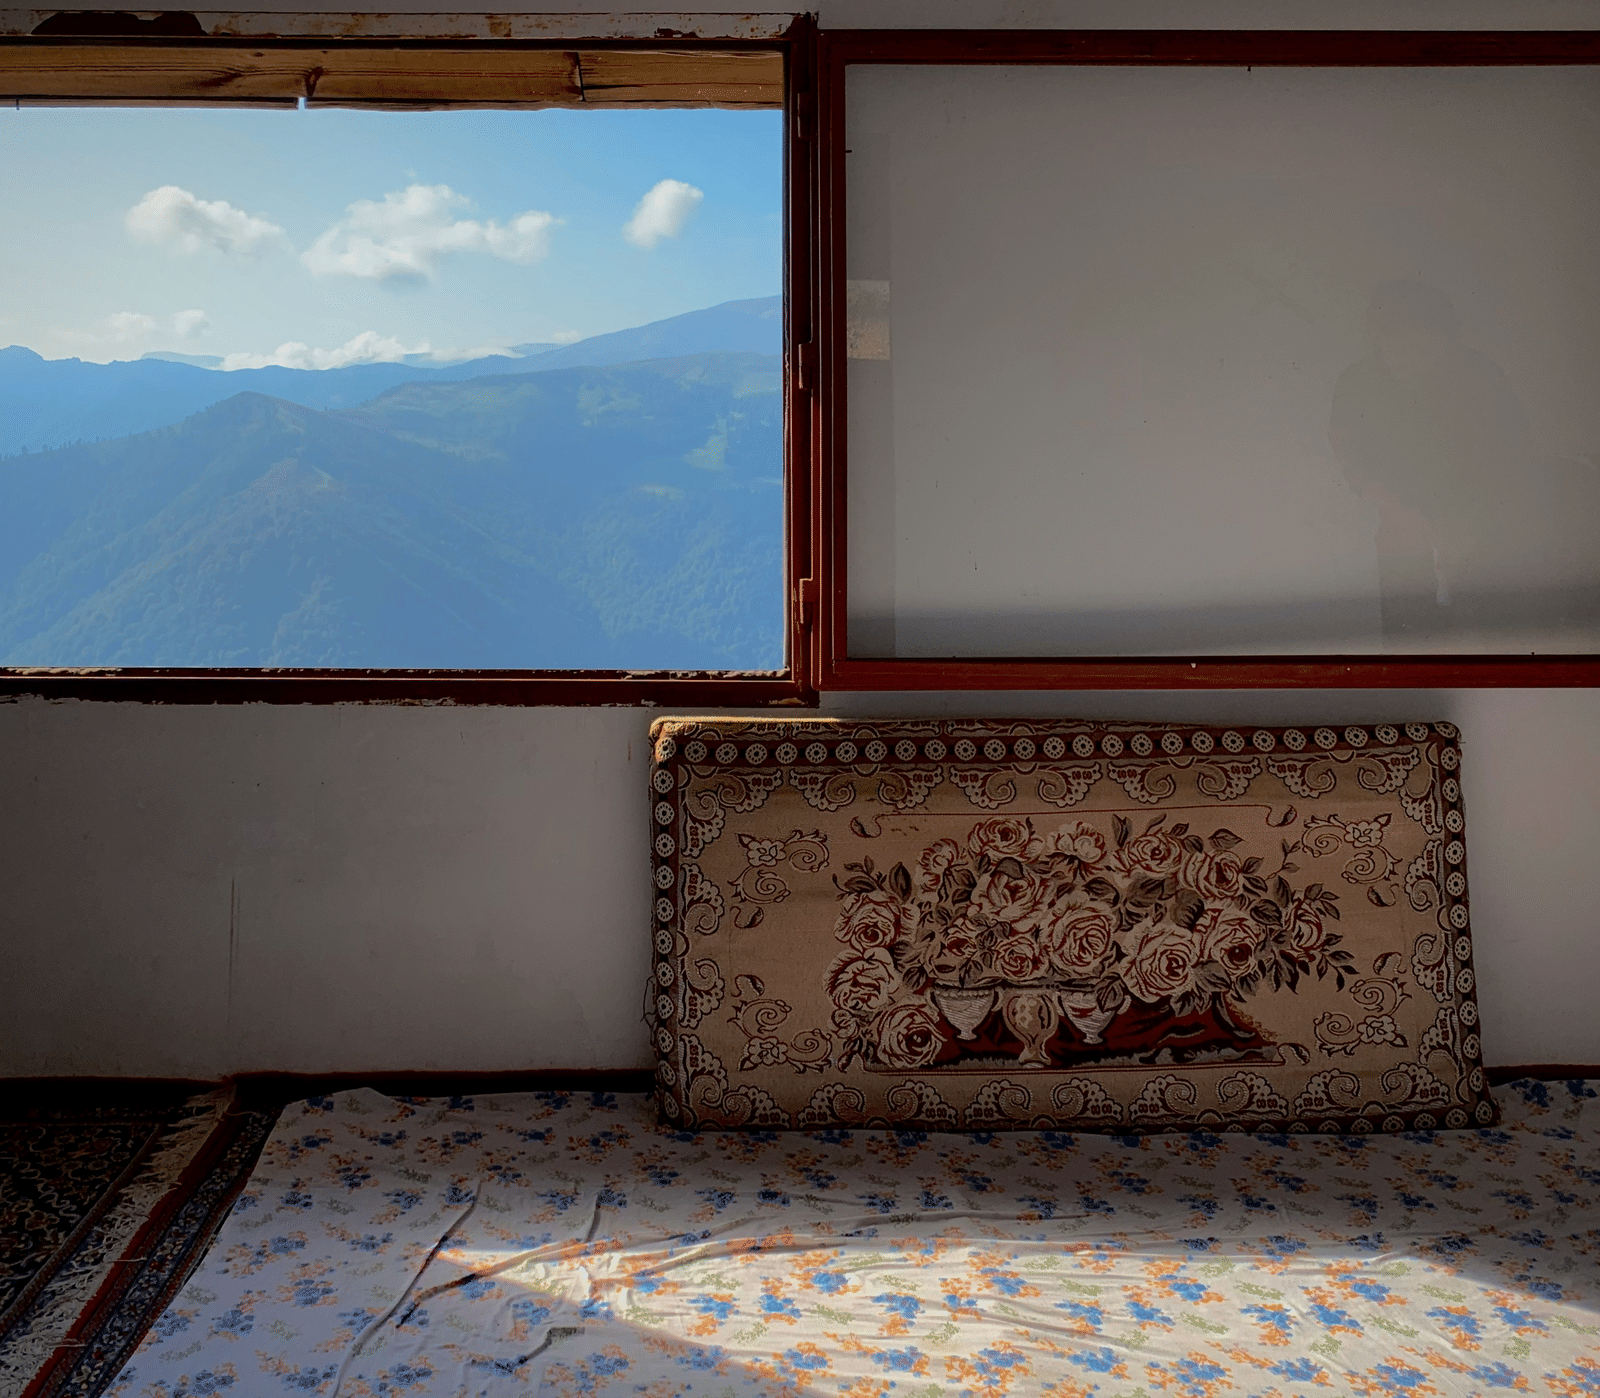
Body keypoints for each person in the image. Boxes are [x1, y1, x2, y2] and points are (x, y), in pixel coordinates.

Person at [1328, 280, 1530, 647]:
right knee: (1410, 643)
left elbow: (1509, 455)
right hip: (1401, 533)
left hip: (1480, 533)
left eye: (1425, 348)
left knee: (1488, 639)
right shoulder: (1356, 383)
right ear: (1379, 337)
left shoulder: (1483, 378)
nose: (1413, 360)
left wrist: (1471, 523)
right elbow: (1351, 457)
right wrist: (1402, 517)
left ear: (1447, 339)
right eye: (1400, 347)